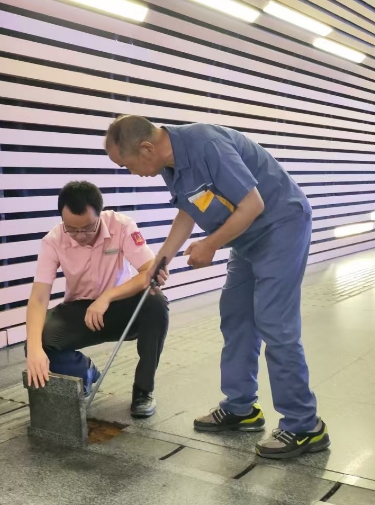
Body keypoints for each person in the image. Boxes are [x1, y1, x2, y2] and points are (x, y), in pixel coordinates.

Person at [104, 115, 330, 459]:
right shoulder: (170, 164)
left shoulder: (206, 145)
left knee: (275, 322)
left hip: (281, 225)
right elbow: (188, 211)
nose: (131, 173)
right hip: (247, 237)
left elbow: (253, 204)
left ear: (146, 148)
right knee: (236, 316)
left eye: (127, 164)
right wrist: (160, 261)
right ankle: (241, 408)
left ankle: (305, 426)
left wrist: (210, 244)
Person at [25, 181, 169, 418]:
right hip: (79, 311)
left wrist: (107, 297)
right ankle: (86, 372)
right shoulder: (53, 240)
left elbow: (148, 271)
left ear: (100, 215)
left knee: (156, 302)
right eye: (72, 229)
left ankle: (143, 391)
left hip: (119, 306)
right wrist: (34, 350)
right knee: (38, 340)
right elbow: (39, 298)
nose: (80, 236)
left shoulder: (122, 226)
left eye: (88, 228)